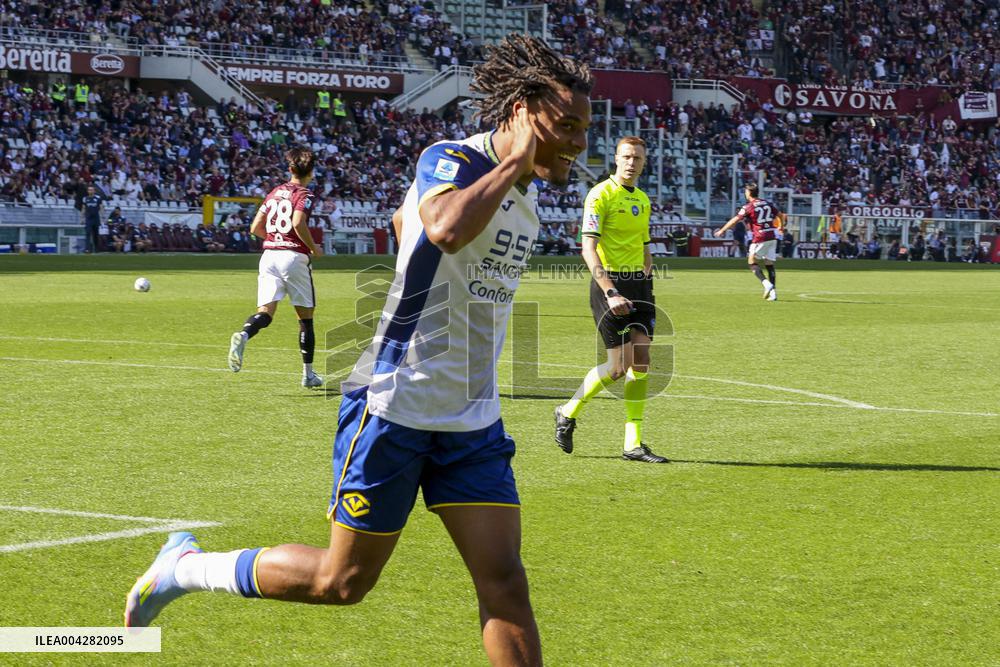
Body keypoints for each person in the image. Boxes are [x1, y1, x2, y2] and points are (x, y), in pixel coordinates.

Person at [126, 36, 593, 667]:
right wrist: (512, 164)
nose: (577, 141)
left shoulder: (525, 193)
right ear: (518, 111)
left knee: (505, 582)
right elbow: (444, 228)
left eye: (584, 128)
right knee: (341, 584)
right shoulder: (453, 159)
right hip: (394, 402)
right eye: (565, 125)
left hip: (471, 419)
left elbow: (410, 227)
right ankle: (185, 567)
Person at [554, 136, 667, 464]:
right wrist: (610, 290)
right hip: (611, 285)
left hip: (639, 286)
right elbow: (588, 248)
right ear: (617, 159)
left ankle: (633, 443)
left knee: (642, 359)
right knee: (617, 369)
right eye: (627, 157)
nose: (632, 163)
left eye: (638, 158)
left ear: (644, 163)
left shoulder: (643, 199)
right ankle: (567, 411)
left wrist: (647, 272)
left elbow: (644, 242)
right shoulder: (600, 194)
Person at [225, 146, 324, 387]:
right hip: (292, 258)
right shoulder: (305, 194)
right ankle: (308, 375)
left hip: (269, 255)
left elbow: (255, 228)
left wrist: (275, 239)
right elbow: (298, 221)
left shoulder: (274, 192)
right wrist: (312, 246)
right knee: (306, 320)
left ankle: (244, 334)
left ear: (290, 169)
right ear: (311, 171)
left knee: (265, 313)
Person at [714, 183, 782, 301]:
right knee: (769, 264)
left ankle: (766, 284)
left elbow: (735, 220)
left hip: (760, 237)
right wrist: (781, 227)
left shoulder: (748, 207)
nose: (745, 193)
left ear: (749, 193)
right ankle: (773, 293)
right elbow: (781, 215)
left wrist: (722, 230)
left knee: (751, 262)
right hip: (772, 235)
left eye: (746, 191)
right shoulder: (767, 203)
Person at [81, 185, 103, 253]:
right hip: (88, 218)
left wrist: (102, 217)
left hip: (96, 218)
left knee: (95, 234)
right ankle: (87, 249)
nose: (90, 191)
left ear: (94, 191)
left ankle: (96, 249)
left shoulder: (98, 198)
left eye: (91, 190)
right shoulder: (85, 198)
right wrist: (82, 218)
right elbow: (83, 208)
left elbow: (101, 207)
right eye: (89, 190)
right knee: (87, 233)